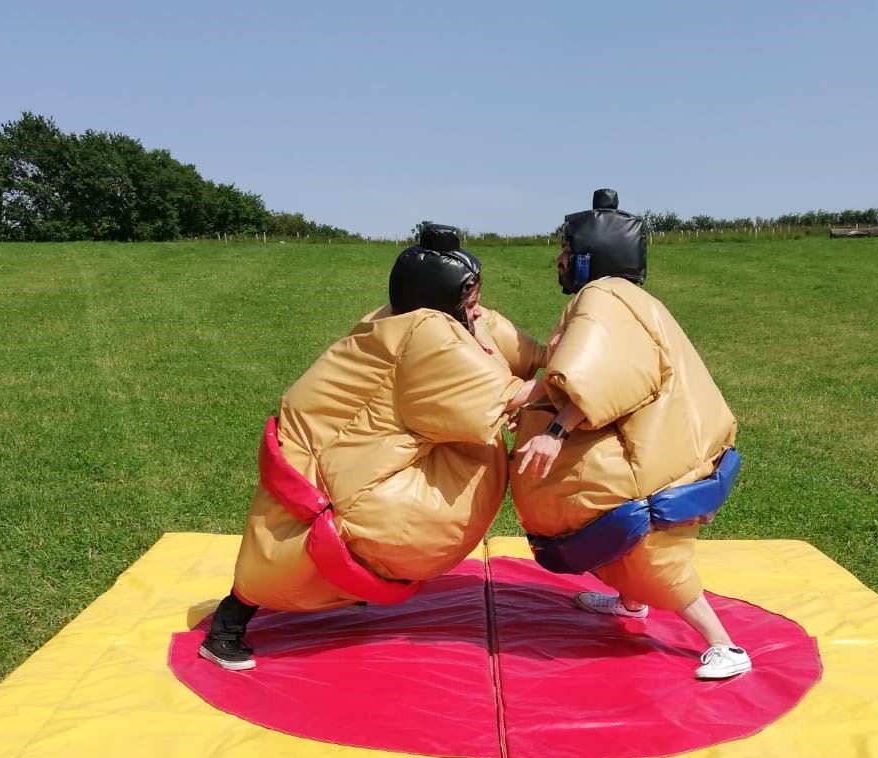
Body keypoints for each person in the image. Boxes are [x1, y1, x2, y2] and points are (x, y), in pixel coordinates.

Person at [200, 224, 528, 671]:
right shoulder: (426, 334)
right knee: (294, 547)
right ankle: (227, 626)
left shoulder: (417, 321)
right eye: (469, 293)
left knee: (322, 541)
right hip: (321, 467)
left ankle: (318, 596)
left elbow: (509, 345)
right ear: (443, 293)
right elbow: (503, 397)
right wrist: (574, 384)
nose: (477, 304)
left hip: (344, 452)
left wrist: (556, 355)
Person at [511, 189, 752, 680]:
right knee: (616, 532)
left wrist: (554, 432)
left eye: (564, 251)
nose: (557, 261)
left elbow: (604, 376)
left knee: (649, 553)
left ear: (588, 258)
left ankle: (725, 646)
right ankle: (629, 604)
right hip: (667, 447)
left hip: (661, 467)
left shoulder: (603, 297)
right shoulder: (622, 298)